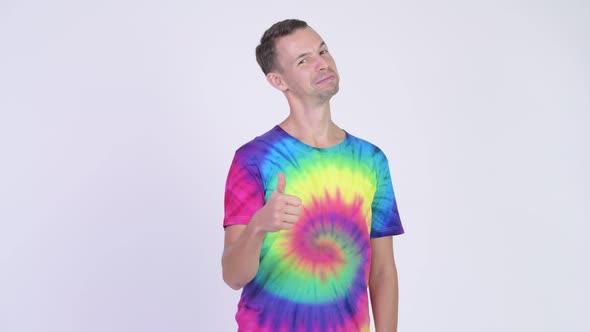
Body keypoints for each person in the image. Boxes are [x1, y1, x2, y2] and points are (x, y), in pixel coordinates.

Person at [222, 19, 404, 332]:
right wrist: (258, 226)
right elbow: (233, 276)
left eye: (323, 51)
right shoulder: (253, 159)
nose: (322, 64)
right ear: (279, 80)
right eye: (304, 60)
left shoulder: (371, 160)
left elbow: (383, 271)